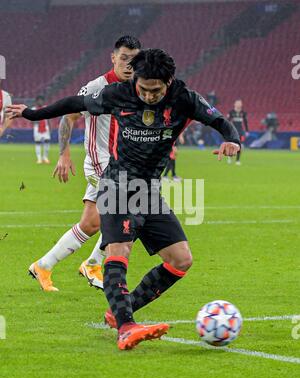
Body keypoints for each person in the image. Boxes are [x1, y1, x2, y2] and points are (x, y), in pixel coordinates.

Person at [7, 48, 240, 350]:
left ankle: (120, 311)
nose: (148, 95)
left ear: (169, 82)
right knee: (119, 251)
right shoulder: (118, 93)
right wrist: (31, 113)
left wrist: (231, 139)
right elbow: (75, 103)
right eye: (143, 88)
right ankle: (126, 327)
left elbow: (219, 120)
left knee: (181, 260)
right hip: (116, 185)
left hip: (148, 192)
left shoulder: (184, 98)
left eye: (155, 90)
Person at [29, 35, 141, 292]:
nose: (128, 65)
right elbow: (68, 117)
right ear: (113, 58)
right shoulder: (95, 87)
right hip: (101, 163)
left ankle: (43, 265)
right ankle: (93, 264)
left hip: (120, 164)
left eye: (134, 60)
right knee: (131, 211)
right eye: (123, 58)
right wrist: (64, 154)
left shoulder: (137, 88)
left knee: (92, 223)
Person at [227, 99, 249, 165]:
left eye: (240, 103)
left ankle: (237, 160)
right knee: (232, 145)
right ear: (235, 104)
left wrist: (247, 131)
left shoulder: (243, 113)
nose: (239, 104)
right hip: (233, 131)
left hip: (240, 132)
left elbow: (245, 122)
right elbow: (227, 121)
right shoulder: (231, 112)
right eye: (238, 103)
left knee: (240, 146)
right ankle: (230, 157)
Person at [32, 95, 51, 164]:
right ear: (36, 101)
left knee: (47, 142)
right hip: (37, 128)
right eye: (39, 100)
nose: (40, 101)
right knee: (38, 143)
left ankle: (45, 157)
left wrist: (50, 127)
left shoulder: (46, 108)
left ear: (43, 101)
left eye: (41, 100)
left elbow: (49, 118)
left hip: (46, 128)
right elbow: (31, 119)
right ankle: (39, 159)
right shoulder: (33, 109)